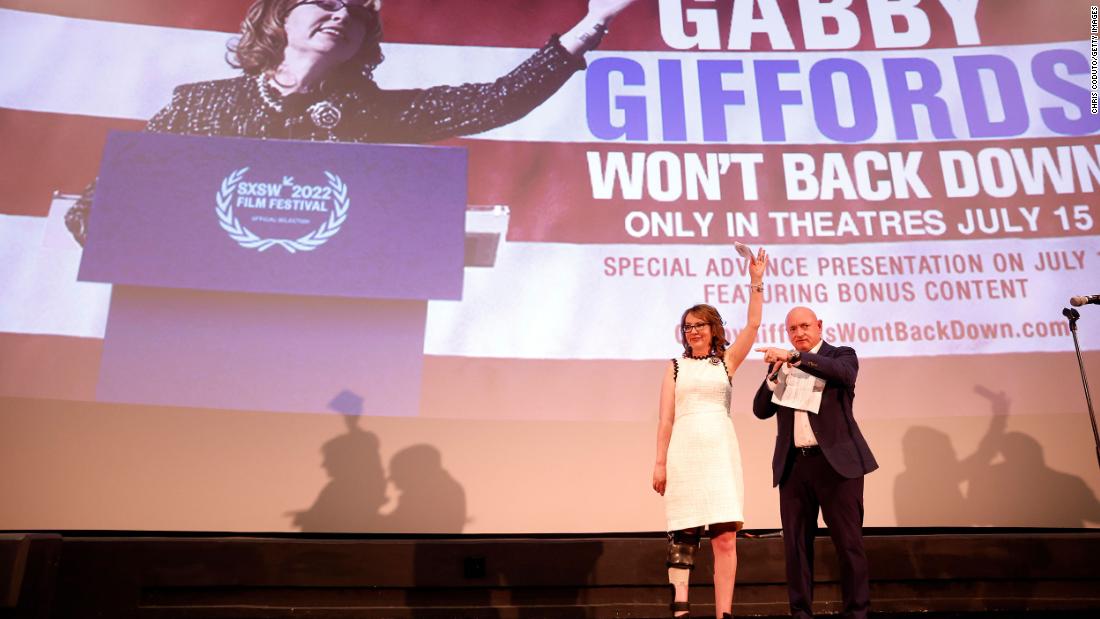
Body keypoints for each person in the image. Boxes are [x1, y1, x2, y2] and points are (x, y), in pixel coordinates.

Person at [65, 0, 640, 245]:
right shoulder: (200, 106)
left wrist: (591, 24)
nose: (341, 14)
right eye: (324, 1)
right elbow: (94, 209)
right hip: (184, 339)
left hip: (323, 343)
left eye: (356, 14)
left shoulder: (377, 115)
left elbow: (497, 100)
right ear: (279, 18)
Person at [652, 247, 768, 619]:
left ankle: (724, 614)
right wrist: (659, 464)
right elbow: (666, 420)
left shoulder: (726, 362)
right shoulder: (674, 368)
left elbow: (752, 327)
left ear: (712, 328)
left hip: (719, 453)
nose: (693, 331)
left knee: (724, 537)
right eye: (687, 326)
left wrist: (755, 282)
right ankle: (681, 610)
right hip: (684, 453)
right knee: (683, 536)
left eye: (699, 325)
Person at [752, 307, 878, 619]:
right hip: (795, 467)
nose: (799, 333)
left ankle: (857, 612)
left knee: (848, 544)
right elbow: (760, 410)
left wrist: (796, 358)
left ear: (819, 326)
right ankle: (800, 613)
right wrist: (773, 376)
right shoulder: (785, 365)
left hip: (836, 466)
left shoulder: (840, 355)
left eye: (805, 326)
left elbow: (843, 375)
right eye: (793, 329)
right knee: (795, 546)